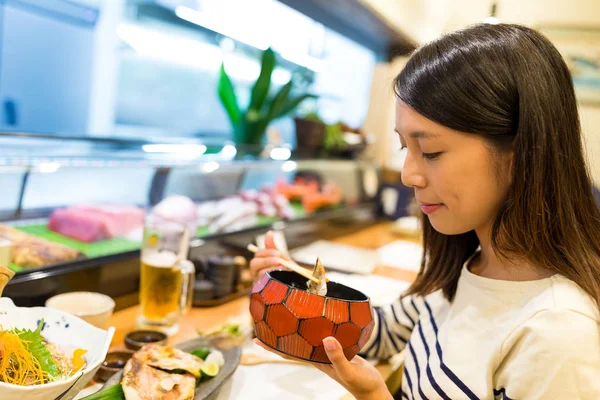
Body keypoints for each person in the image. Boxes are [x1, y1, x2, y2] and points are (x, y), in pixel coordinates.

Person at [251, 23, 600, 400]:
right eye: (405, 148)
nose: (408, 175)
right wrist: (300, 295)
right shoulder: (466, 265)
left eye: (430, 152)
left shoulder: (556, 335)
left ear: (519, 153)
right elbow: (378, 334)